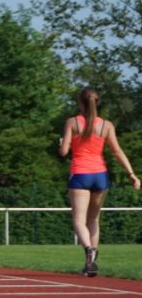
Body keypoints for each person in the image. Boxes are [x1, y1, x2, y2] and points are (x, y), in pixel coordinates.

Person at [59, 88, 141, 277]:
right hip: (100, 175)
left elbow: (63, 152)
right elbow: (117, 151)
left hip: (80, 174)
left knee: (79, 220)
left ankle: (88, 250)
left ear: (80, 103)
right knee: (94, 219)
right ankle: (92, 260)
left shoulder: (72, 122)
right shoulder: (106, 125)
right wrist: (132, 174)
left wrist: (62, 143)